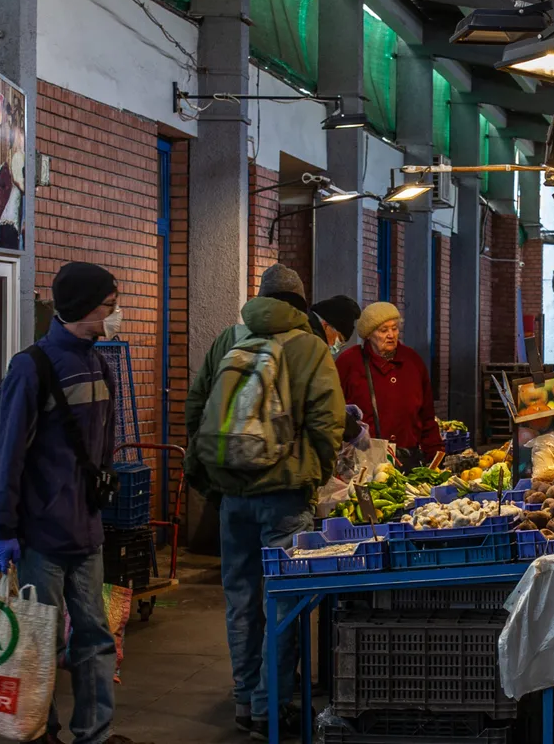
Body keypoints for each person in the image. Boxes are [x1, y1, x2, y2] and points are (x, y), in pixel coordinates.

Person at [0, 262, 145, 744]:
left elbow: (104, 447)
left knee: (95, 636)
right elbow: (6, 454)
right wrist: (2, 529)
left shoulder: (98, 362)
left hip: (87, 530)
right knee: (40, 638)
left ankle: (94, 732)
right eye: (109, 307)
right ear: (80, 309)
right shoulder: (31, 367)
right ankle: (40, 730)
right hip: (41, 535)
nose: (115, 315)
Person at [184, 263, 345, 740]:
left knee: (239, 602)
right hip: (284, 497)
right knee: (284, 603)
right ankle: (270, 707)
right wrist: (312, 476)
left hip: (232, 497)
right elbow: (327, 423)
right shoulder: (310, 348)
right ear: (300, 303)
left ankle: (244, 702)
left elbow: (195, 409)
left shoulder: (227, 339)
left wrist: (214, 478)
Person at [335, 302, 444, 467]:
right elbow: (334, 411)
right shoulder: (350, 362)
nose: (391, 335)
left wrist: (437, 457)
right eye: (383, 330)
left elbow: (426, 416)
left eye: (395, 328)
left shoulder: (412, 361)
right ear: (369, 335)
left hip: (408, 460)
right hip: (363, 461)